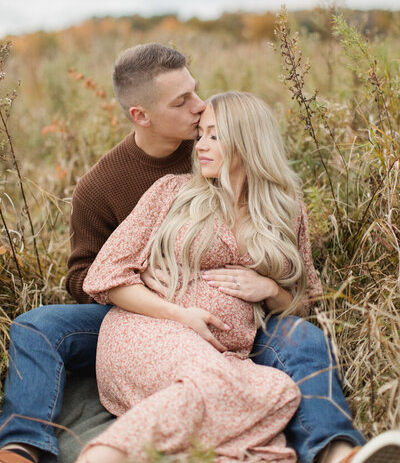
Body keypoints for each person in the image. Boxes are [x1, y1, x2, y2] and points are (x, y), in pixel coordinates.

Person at [0, 44, 394, 463]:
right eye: (183, 101)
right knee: (37, 326)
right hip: (146, 312)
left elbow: (301, 283)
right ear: (142, 115)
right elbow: (88, 274)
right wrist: (152, 284)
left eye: (196, 93)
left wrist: (267, 288)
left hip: (244, 318)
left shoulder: (229, 156)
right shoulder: (109, 186)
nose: (199, 106)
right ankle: (24, 447)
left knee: (305, 341)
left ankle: (335, 450)